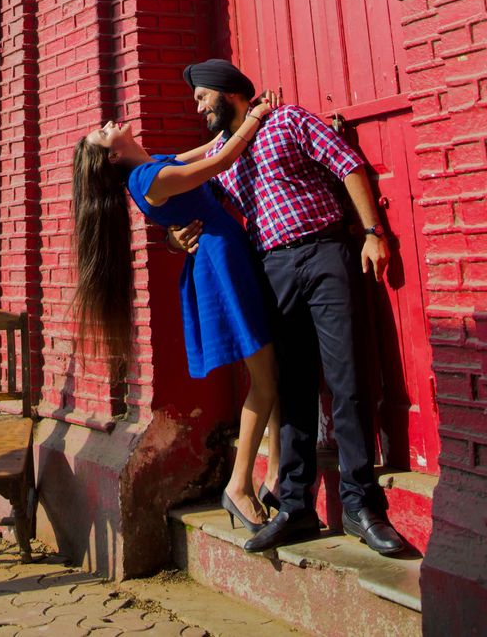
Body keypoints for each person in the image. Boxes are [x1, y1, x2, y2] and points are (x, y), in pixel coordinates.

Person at [172, 59, 407, 558]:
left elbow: (348, 165)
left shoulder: (289, 121)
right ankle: (295, 506)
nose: (197, 106)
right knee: (295, 391)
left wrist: (371, 232)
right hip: (272, 270)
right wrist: (176, 236)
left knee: (347, 380)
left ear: (229, 91)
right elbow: (184, 197)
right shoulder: (221, 156)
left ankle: (363, 506)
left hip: (325, 253)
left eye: (202, 96)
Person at [73, 96, 281, 532]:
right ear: (113, 154)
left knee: (270, 368)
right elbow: (219, 161)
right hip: (222, 264)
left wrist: (241, 114)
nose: (110, 122)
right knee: (264, 378)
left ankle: (276, 476)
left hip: (227, 256)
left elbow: (209, 148)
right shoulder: (149, 177)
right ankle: (239, 485)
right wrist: (259, 117)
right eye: (103, 131)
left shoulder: (153, 165)